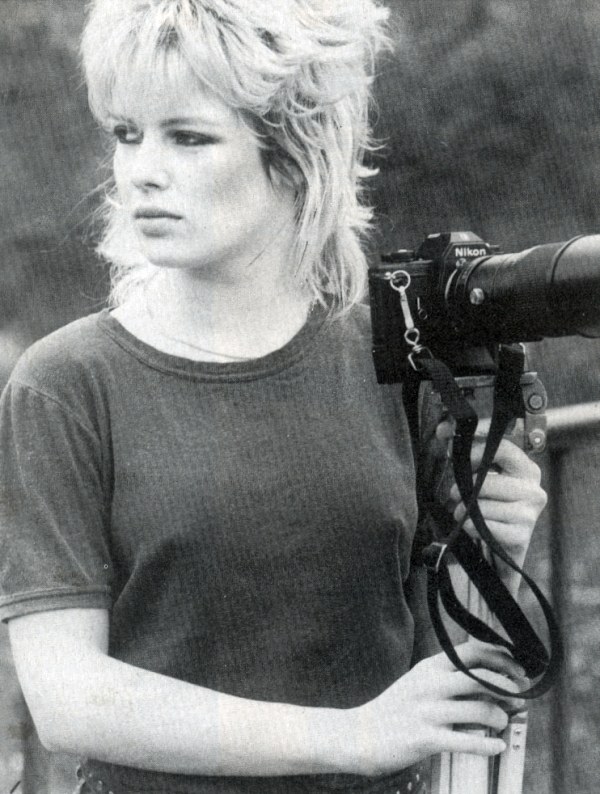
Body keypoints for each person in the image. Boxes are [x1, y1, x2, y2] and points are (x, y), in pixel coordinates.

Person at [0, 1, 547, 792]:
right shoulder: (65, 383)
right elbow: (70, 700)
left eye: (188, 137)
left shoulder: (395, 360)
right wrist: (350, 737)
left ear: (295, 153)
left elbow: (440, 678)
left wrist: (494, 550)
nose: (140, 170)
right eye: (127, 133)